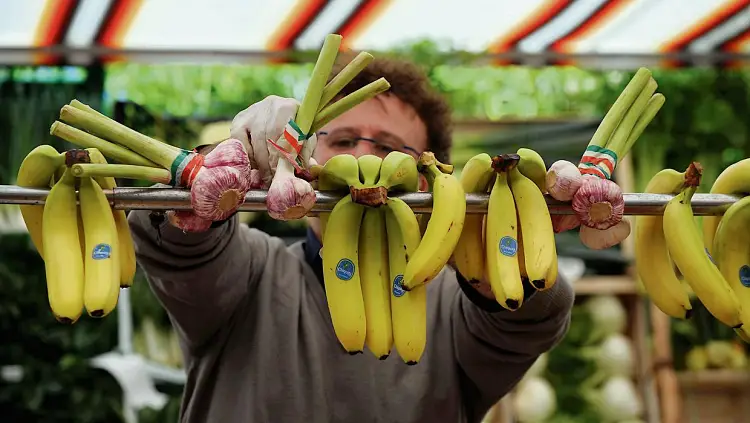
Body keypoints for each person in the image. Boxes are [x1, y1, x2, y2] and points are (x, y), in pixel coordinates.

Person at [127, 56, 574, 423]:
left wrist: (498, 271)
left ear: (426, 181)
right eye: (341, 139)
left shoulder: (451, 302)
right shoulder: (250, 274)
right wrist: (219, 170)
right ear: (304, 158)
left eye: (388, 147)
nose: (362, 157)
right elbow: (177, 248)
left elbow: (527, 321)